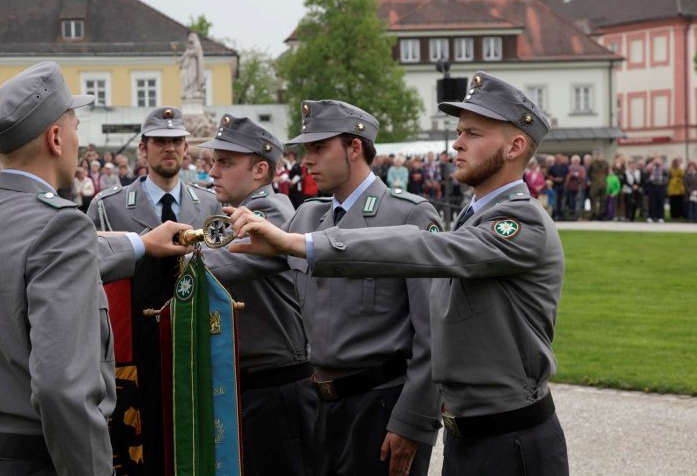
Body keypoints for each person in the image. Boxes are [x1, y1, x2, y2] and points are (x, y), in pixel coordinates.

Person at [228, 72, 569, 476]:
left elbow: (424, 248)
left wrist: (301, 243)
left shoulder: (520, 222)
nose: (458, 142)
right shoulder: (473, 217)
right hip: (468, 438)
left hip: (511, 441)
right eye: (459, 131)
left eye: (474, 133)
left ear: (515, 146)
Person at [0, 62, 191, 475]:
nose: (79, 138)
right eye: (75, 125)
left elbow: (29, 256)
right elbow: (62, 390)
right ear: (55, 138)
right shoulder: (60, 223)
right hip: (51, 456)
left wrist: (141, 244)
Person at [214, 100, 442, 476]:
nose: (307, 159)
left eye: (320, 148)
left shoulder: (406, 214)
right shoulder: (308, 216)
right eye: (306, 149)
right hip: (321, 404)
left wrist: (412, 421)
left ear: (355, 148)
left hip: (381, 402)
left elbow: (433, 333)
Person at [86, 106, 221, 475]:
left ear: (186, 148)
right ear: (142, 150)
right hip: (130, 352)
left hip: (189, 344)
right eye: (160, 141)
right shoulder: (108, 205)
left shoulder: (208, 204)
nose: (169, 148)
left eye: (176, 141)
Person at [198, 114, 317, 476]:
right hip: (251, 385)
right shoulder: (235, 213)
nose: (213, 171)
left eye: (226, 162)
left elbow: (214, 267)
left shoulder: (271, 214)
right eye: (214, 161)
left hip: (278, 385)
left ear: (260, 170)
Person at [179, 32, 205, 99]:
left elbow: (197, 52)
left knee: (193, 76)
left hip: (193, 65)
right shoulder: (189, 48)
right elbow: (184, 56)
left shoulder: (197, 46)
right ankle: (188, 91)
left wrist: (189, 53)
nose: (189, 39)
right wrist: (180, 60)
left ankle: (194, 90)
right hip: (187, 66)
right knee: (186, 77)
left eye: (191, 38)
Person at [587, 150, 609, 220]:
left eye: (601, 155)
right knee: (593, 199)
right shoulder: (593, 164)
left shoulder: (605, 163)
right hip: (595, 184)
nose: (599, 157)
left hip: (603, 183)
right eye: (598, 155)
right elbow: (589, 173)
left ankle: (601, 214)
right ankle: (594, 214)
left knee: (603, 200)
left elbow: (607, 173)